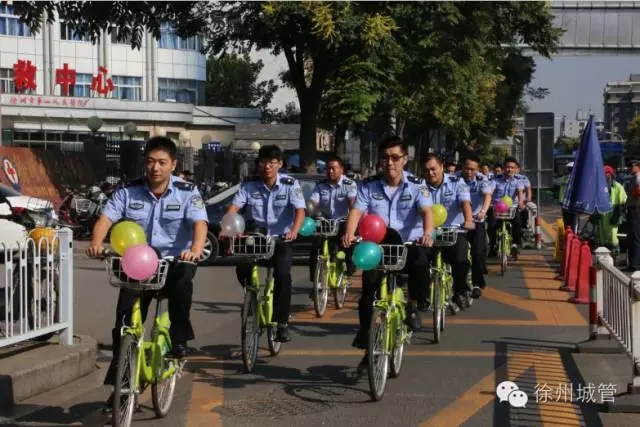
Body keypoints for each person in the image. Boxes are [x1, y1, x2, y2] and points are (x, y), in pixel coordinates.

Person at [86, 136, 208, 412]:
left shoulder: (187, 191)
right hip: (137, 263)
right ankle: (120, 388)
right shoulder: (128, 191)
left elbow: (200, 223)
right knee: (124, 325)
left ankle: (179, 340)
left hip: (174, 261)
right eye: (151, 161)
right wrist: (96, 243)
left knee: (182, 284)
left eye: (162, 162)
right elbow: (106, 218)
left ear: (173, 165)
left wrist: (195, 249)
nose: (155, 167)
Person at [341, 136, 433, 371]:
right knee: (367, 295)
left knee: (420, 262)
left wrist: (427, 233)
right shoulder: (368, 185)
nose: (389, 162)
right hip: (377, 246)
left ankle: (414, 305)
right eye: (384, 158)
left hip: (409, 243)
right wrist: (349, 233)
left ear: (404, 159)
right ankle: (367, 343)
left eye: (394, 157)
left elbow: (426, 212)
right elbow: (356, 212)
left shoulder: (417, 185)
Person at [226, 145, 306, 342]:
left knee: (283, 275)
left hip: (281, 239)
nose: (267, 166)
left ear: (279, 164)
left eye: (272, 162)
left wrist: (294, 231)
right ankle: (251, 298)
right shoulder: (249, 185)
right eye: (263, 162)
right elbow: (234, 208)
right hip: (255, 238)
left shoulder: (290, 184)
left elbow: (300, 210)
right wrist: (229, 227)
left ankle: (281, 323)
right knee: (242, 266)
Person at [422, 153, 475, 308]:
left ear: (441, 167)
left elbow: (465, 203)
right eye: (426, 170)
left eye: (433, 169)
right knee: (419, 261)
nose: (430, 173)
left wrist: (469, 220)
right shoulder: (419, 185)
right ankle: (422, 296)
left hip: (453, 231)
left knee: (460, 259)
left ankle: (460, 291)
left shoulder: (457, 182)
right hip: (429, 232)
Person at [308, 156, 358, 288]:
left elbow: (352, 203)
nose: (330, 171)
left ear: (341, 170)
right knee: (315, 247)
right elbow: (313, 201)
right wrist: (310, 208)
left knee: (348, 243)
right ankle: (316, 283)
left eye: (333, 168)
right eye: (328, 168)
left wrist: (352, 214)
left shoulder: (349, 184)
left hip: (343, 221)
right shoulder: (320, 185)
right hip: (325, 222)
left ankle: (348, 270)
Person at [461, 155, 492, 291]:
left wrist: (483, 211)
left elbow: (487, 196)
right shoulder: (454, 178)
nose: (469, 172)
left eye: (472, 169)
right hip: (458, 222)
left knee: (478, 252)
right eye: (466, 168)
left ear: (478, 170)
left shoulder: (482, 180)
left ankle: (477, 282)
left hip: (476, 220)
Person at [487, 157, 525, 258]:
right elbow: (490, 192)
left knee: (518, 222)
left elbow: (520, 192)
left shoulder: (518, 180)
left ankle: (515, 244)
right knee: (491, 226)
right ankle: (492, 246)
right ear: (504, 168)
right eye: (508, 167)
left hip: (512, 208)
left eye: (512, 167)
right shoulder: (495, 179)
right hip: (497, 207)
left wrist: (520, 202)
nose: (509, 169)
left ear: (515, 169)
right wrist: (488, 203)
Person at [593, 165, 627, 260]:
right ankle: (603, 256)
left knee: (613, 236)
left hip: (613, 213)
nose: (604, 175)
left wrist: (620, 213)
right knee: (602, 235)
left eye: (606, 173)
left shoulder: (617, 186)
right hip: (602, 213)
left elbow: (623, 200)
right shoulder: (599, 186)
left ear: (610, 174)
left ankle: (615, 254)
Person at [625, 159, 640, 272]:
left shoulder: (638, 178)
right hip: (632, 209)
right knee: (632, 237)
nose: (630, 168)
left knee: (634, 237)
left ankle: (635, 264)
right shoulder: (633, 178)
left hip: (636, 209)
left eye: (631, 166)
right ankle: (633, 263)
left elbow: (637, 192)